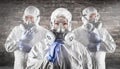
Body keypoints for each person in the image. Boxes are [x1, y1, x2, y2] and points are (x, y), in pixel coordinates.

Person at [26, 8, 92, 69]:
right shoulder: (39, 46)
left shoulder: (79, 48)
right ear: (52, 24)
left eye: (64, 23)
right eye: (57, 23)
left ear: (69, 25)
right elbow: (30, 66)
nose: (60, 28)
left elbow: (88, 66)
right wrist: (47, 59)